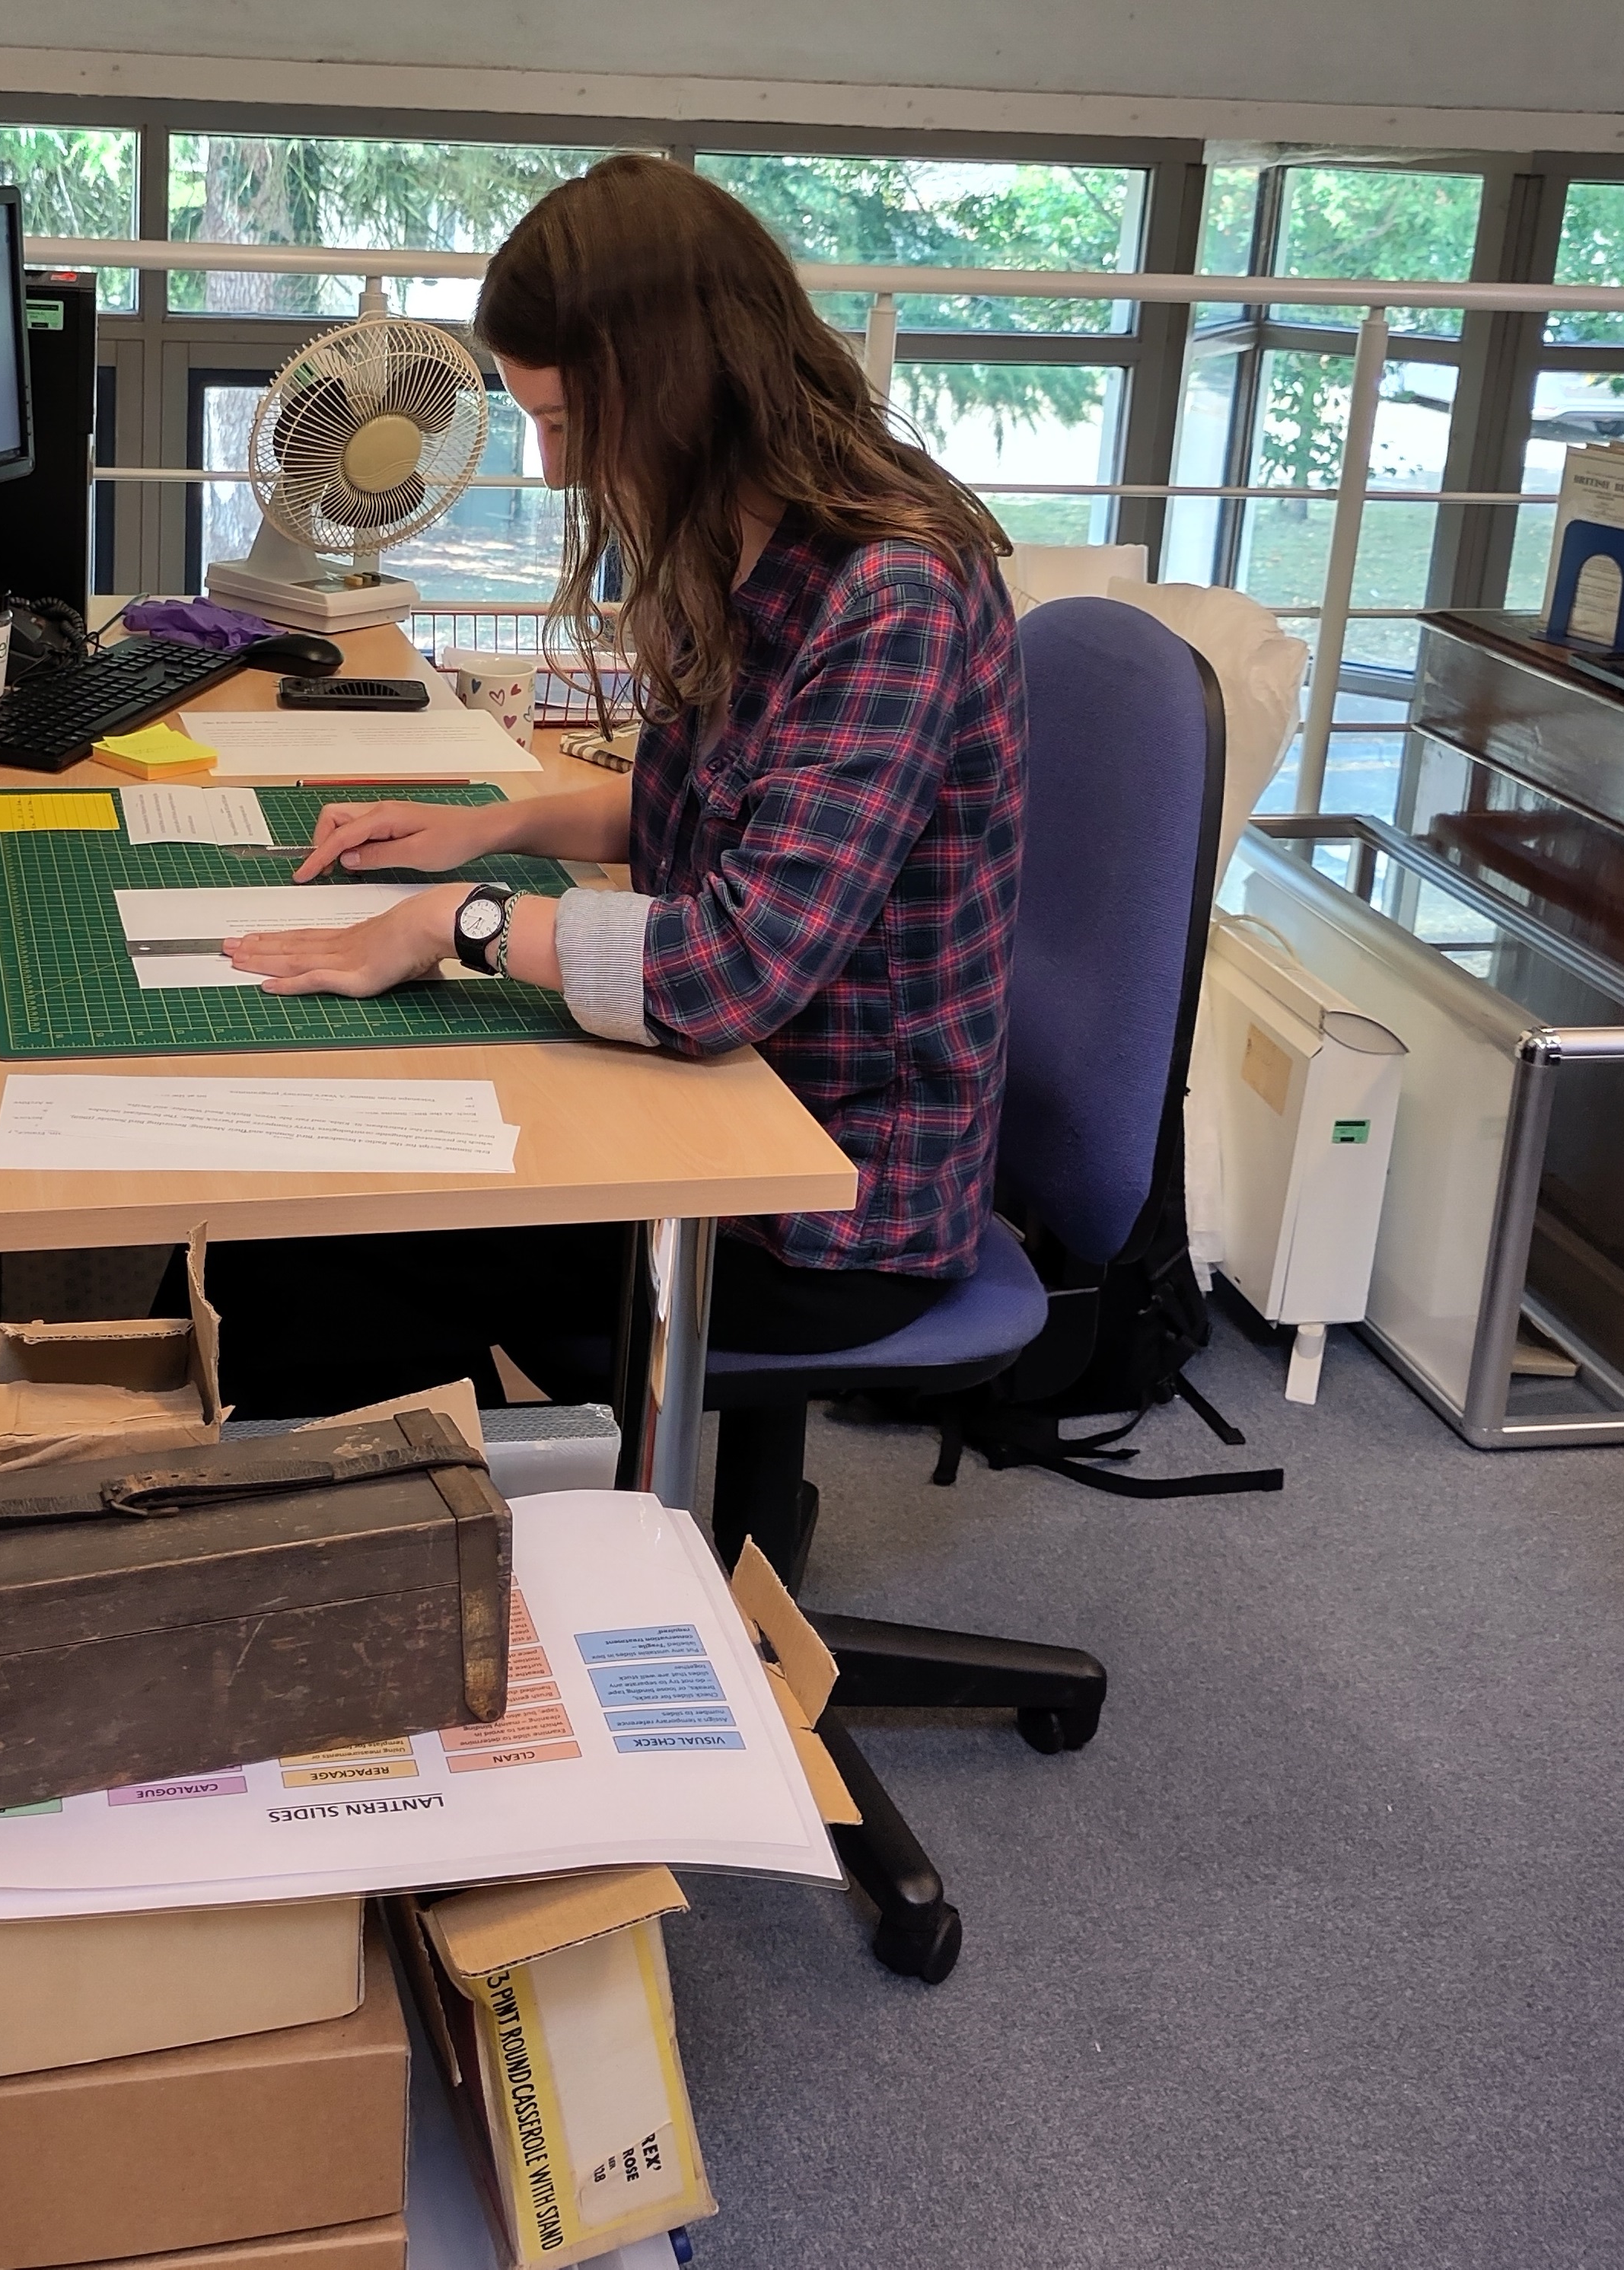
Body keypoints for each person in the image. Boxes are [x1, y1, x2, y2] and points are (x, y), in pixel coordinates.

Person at [190, 154, 1026, 1421]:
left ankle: (464, 1576)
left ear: (684, 382)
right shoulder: (738, 529)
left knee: (314, 1240)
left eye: (571, 425)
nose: (557, 468)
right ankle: (461, 1540)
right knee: (306, 1215)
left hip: (815, 1202)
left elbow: (735, 967)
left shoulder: (887, 593)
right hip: (722, 1106)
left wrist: (458, 918)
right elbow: (703, 803)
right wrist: (495, 825)